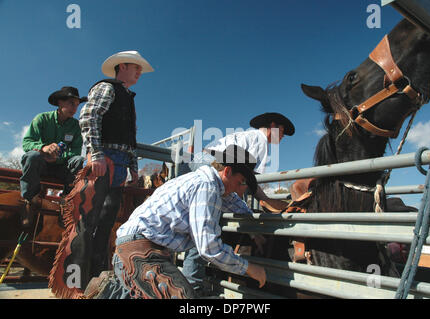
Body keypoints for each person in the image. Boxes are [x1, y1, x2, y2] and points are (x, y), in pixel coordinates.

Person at [84, 145, 266, 299]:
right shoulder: (207, 187)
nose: (242, 190)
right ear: (227, 171)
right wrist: (248, 268)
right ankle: (110, 291)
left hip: (138, 248)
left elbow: (236, 204)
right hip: (141, 251)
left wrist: (253, 228)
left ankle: (115, 289)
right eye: (241, 182)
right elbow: (208, 248)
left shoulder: (208, 184)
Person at [48, 51, 154, 298]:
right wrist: (95, 154)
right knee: (86, 223)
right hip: (103, 161)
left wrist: (133, 167)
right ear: (123, 66)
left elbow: (129, 137)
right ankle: (74, 286)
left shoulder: (126, 96)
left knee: (105, 224)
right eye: (136, 67)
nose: (140, 72)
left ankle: (95, 283)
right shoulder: (107, 88)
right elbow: (89, 116)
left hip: (116, 165)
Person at [182, 112, 295, 294]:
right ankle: (192, 287)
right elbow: (251, 180)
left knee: (220, 211)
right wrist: (265, 200)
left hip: (205, 162)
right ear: (272, 126)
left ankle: (203, 275)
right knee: (208, 225)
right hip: (212, 165)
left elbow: (246, 180)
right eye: (281, 131)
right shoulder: (260, 141)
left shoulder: (248, 136)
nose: (282, 136)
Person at [19, 86, 86, 228]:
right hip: (41, 164)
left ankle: (66, 202)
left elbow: (75, 151)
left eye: (77, 105)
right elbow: (27, 142)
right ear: (60, 102)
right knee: (32, 156)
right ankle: (30, 200)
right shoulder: (42, 118)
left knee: (79, 161)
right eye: (71, 103)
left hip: (62, 167)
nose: (75, 108)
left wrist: (58, 157)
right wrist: (44, 149)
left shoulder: (76, 127)